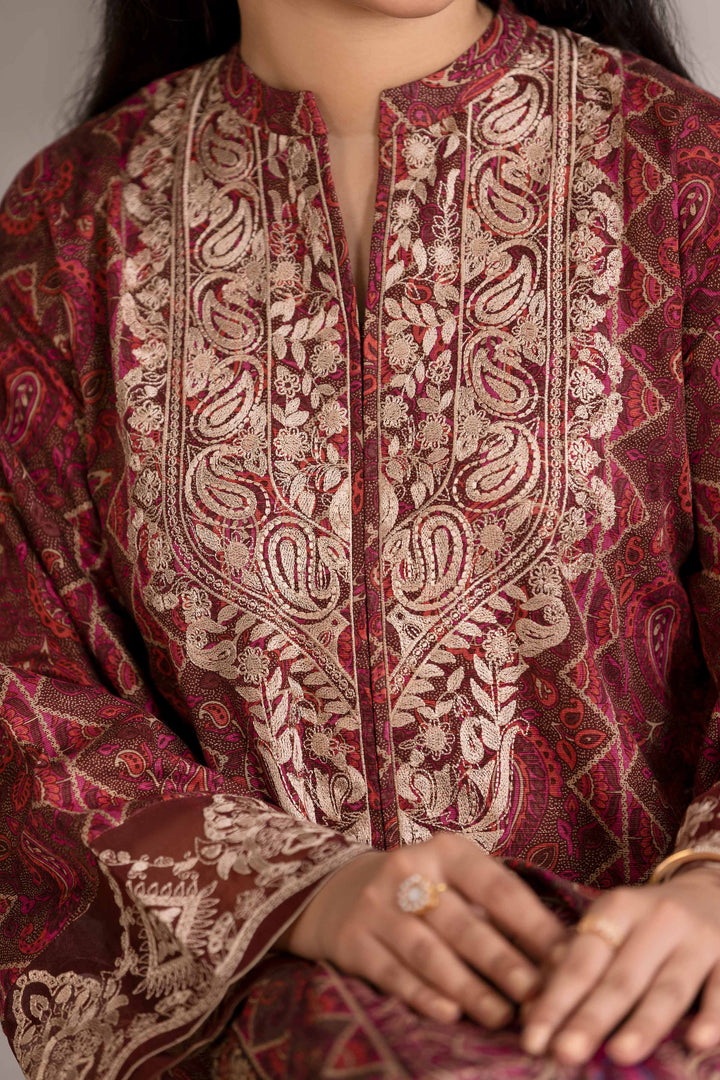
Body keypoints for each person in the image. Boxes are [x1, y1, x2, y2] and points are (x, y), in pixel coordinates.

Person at [2, 0, 720, 1075]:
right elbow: (27, 694)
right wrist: (300, 893)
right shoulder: (71, 226)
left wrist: (709, 893)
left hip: (649, 1016)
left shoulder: (682, 172)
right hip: (275, 1025)